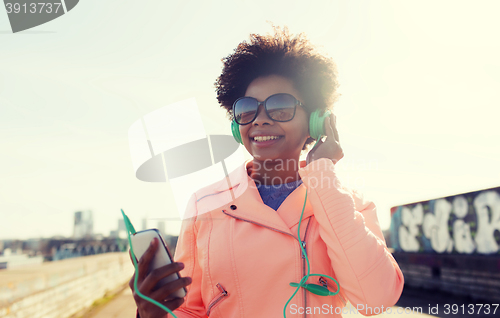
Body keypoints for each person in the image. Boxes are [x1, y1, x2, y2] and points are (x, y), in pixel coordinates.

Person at [130, 27, 404, 317]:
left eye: (281, 106)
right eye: (248, 109)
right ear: (237, 124)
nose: (260, 120)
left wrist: (322, 173)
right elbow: (191, 310)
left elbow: (377, 298)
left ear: (315, 121)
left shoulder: (346, 202)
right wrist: (151, 314)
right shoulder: (204, 204)